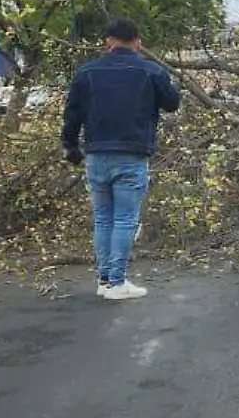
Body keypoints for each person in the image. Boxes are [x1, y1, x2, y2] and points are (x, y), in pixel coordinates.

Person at [62, 18, 181, 301]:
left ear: (107, 42)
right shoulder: (150, 71)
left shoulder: (87, 72)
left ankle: (104, 280)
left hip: (96, 154)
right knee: (126, 219)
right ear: (138, 42)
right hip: (132, 153)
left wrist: (70, 146)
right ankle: (117, 282)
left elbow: (72, 113)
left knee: (103, 219)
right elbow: (172, 103)